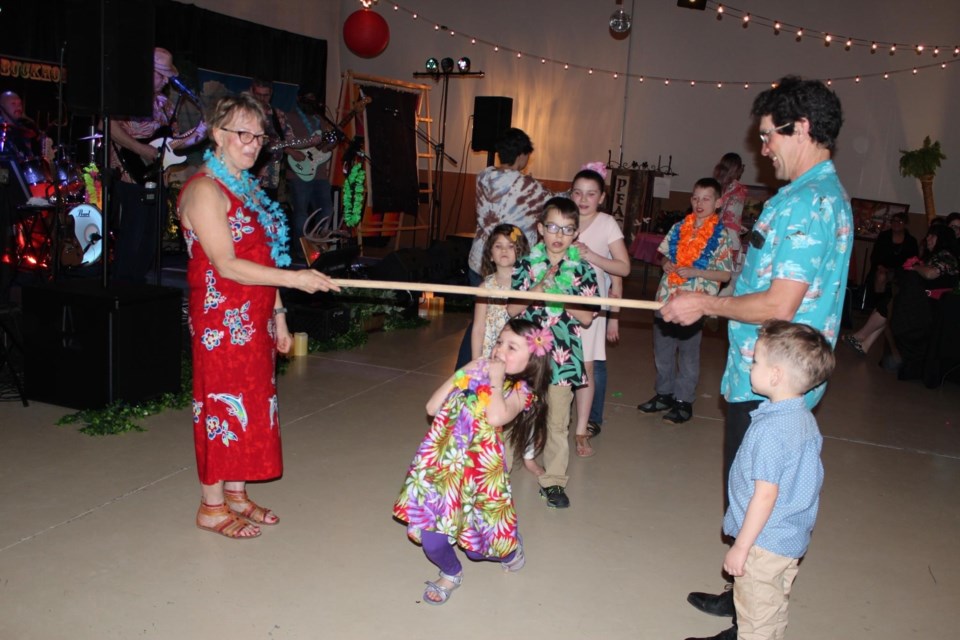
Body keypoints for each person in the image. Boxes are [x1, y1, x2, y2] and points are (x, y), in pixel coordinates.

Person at [661, 76, 853, 640]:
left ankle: (751, 621)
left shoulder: (810, 201)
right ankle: (739, 597)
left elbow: (779, 301)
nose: (761, 147)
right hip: (765, 370)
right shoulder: (807, 194)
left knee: (760, 496)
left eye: (769, 135)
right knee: (749, 487)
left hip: (775, 380)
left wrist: (704, 302)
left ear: (804, 129)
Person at [178, 94, 340, 539]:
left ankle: (236, 493)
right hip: (220, 322)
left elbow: (263, 255)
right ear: (217, 135)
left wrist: (280, 316)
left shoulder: (246, 188)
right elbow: (227, 263)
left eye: (258, 136)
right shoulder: (204, 190)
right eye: (241, 134)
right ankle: (211, 506)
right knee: (220, 407)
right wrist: (294, 279)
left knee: (252, 406)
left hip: (254, 319)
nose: (252, 145)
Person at [691, 320, 835, 640]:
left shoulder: (771, 431)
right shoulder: (803, 419)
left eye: (755, 361)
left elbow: (765, 495)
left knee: (755, 619)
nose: (749, 365)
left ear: (775, 376)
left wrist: (741, 546)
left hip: (762, 544)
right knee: (772, 609)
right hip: (789, 537)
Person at [393, 318, 550, 604]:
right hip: (442, 466)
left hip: (480, 476)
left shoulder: (521, 391)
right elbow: (431, 407)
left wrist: (495, 380)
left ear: (531, 363)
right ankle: (450, 573)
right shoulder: (472, 375)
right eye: (500, 342)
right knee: (433, 538)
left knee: (481, 548)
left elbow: (495, 416)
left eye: (512, 347)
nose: (500, 350)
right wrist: (463, 371)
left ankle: (511, 549)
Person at [507, 196, 598, 509]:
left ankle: (555, 482)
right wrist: (537, 289)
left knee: (558, 423)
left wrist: (562, 294)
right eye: (553, 227)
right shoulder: (524, 265)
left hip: (563, 358)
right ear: (540, 229)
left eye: (568, 229)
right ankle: (496, 473)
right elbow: (512, 308)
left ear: (575, 235)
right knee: (513, 414)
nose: (559, 235)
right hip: (527, 358)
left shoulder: (583, 270)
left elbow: (587, 317)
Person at [455, 128, 554, 370]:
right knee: (512, 323)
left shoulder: (482, 177)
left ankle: (466, 371)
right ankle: (507, 372)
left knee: (479, 321)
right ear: (521, 156)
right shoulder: (530, 187)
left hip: (482, 258)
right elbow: (555, 202)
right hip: (511, 263)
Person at [639, 177, 733, 424]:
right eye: (695, 197)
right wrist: (666, 264)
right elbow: (663, 258)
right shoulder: (679, 227)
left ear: (719, 202)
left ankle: (683, 401)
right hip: (666, 298)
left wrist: (696, 272)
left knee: (688, 355)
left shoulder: (721, 236)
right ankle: (664, 394)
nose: (699, 203)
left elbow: (725, 274)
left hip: (694, 304)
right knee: (662, 352)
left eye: (706, 198)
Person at [109, 47, 207, 283]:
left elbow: (172, 144)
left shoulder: (164, 104)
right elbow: (108, 126)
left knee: (151, 234)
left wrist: (202, 131)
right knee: (132, 232)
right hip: (129, 174)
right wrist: (141, 149)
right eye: (160, 74)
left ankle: (139, 282)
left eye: (167, 75)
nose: (165, 80)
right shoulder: (125, 96)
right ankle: (122, 283)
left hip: (156, 176)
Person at [469, 224, 543, 476]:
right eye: (498, 246)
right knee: (494, 404)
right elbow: (478, 328)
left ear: (520, 252)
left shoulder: (528, 285)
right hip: (494, 356)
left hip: (521, 357)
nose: (504, 251)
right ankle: (492, 454)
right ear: (490, 254)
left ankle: (529, 455)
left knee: (528, 406)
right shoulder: (484, 287)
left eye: (511, 247)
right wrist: (477, 360)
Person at [569, 164, 630, 456]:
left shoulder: (607, 223)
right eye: (578, 192)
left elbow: (623, 268)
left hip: (591, 306)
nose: (584, 199)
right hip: (559, 302)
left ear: (602, 197)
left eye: (591, 194)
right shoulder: (562, 218)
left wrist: (591, 255)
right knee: (553, 365)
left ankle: (582, 430)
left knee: (587, 368)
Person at [841, 212, 918, 356]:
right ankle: (866, 336)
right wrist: (881, 266)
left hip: (901, 274)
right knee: (881, 279)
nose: (895, 224)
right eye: (893, 221)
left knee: (888, 307)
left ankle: (861, 336)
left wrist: (898, 271)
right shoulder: (884, 236)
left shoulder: (911, 241)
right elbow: (876, 256)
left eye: (899, 222)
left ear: (905, 224)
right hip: (883, 269)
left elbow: (912, 262)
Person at [284, 88, 333, 258]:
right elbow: (281, 141)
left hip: (320, 173)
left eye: (314, 100)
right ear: (299, 99)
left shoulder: (320, 120)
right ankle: (299, 251)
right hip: (298, 173)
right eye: (307, 100)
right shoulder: (289, 117)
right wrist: (291, 152)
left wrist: (331, 144)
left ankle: (318, 248)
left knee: (327, 210)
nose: (311, 103)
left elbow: (325, 148)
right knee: (301, 213)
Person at [248, 78, 293, 203]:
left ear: (271, 93)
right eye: (258, 94)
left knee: (268, 210)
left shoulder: (277, 114)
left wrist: (311, 141)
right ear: (252, 91)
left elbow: (289, 138)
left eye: (266, 95)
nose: (262, 99)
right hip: (248, 168)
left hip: (272, 170)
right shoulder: (244, 112)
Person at [713, 153, 748, 296]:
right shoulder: (739, 189)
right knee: (730, 283)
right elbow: (732, 218)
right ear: (738, 168)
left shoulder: (714, 185)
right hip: (729, 236)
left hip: (710, 234)